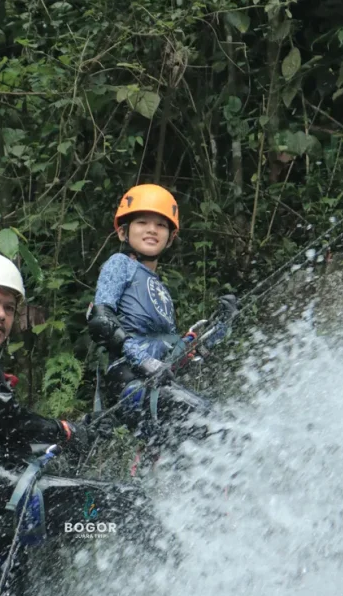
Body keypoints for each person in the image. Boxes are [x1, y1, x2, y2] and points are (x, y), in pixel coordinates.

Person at [0, 250, 148, 596]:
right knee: (129, 504)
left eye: (9, 309)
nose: (1, 315)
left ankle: (108, 537)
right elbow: (9, 416)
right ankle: (179, 573)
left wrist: (71, 434)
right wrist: (64, 431)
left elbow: (8, 432)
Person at [87, 184, 237, 441]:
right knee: (217, 426)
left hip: (158, 384)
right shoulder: (120, 265)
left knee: (209, 437)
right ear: (124, 231)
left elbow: (172, 355)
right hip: (132, 383)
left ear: (170, 236)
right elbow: (101, 320)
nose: (151, 230)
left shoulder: (160, 288)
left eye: (160, 225)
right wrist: (143, 361)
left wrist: (220, 327)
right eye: (142, 222)